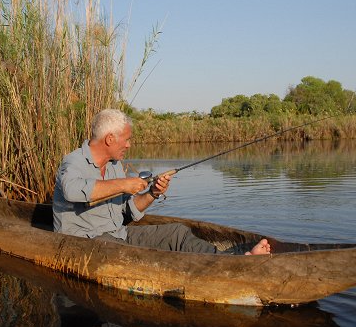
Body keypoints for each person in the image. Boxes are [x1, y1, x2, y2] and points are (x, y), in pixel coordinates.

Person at [52, 109, 270, 255]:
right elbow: (72, 191)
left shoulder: (114, 165)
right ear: (110, 139)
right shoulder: (73, 162)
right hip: (84, 243)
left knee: (177, 232)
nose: (128, 145)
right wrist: (124, 184)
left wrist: (153, 194)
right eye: (127, 139)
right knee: (129, 254)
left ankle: (228, 260)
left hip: (118, 235)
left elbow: (127, 212)